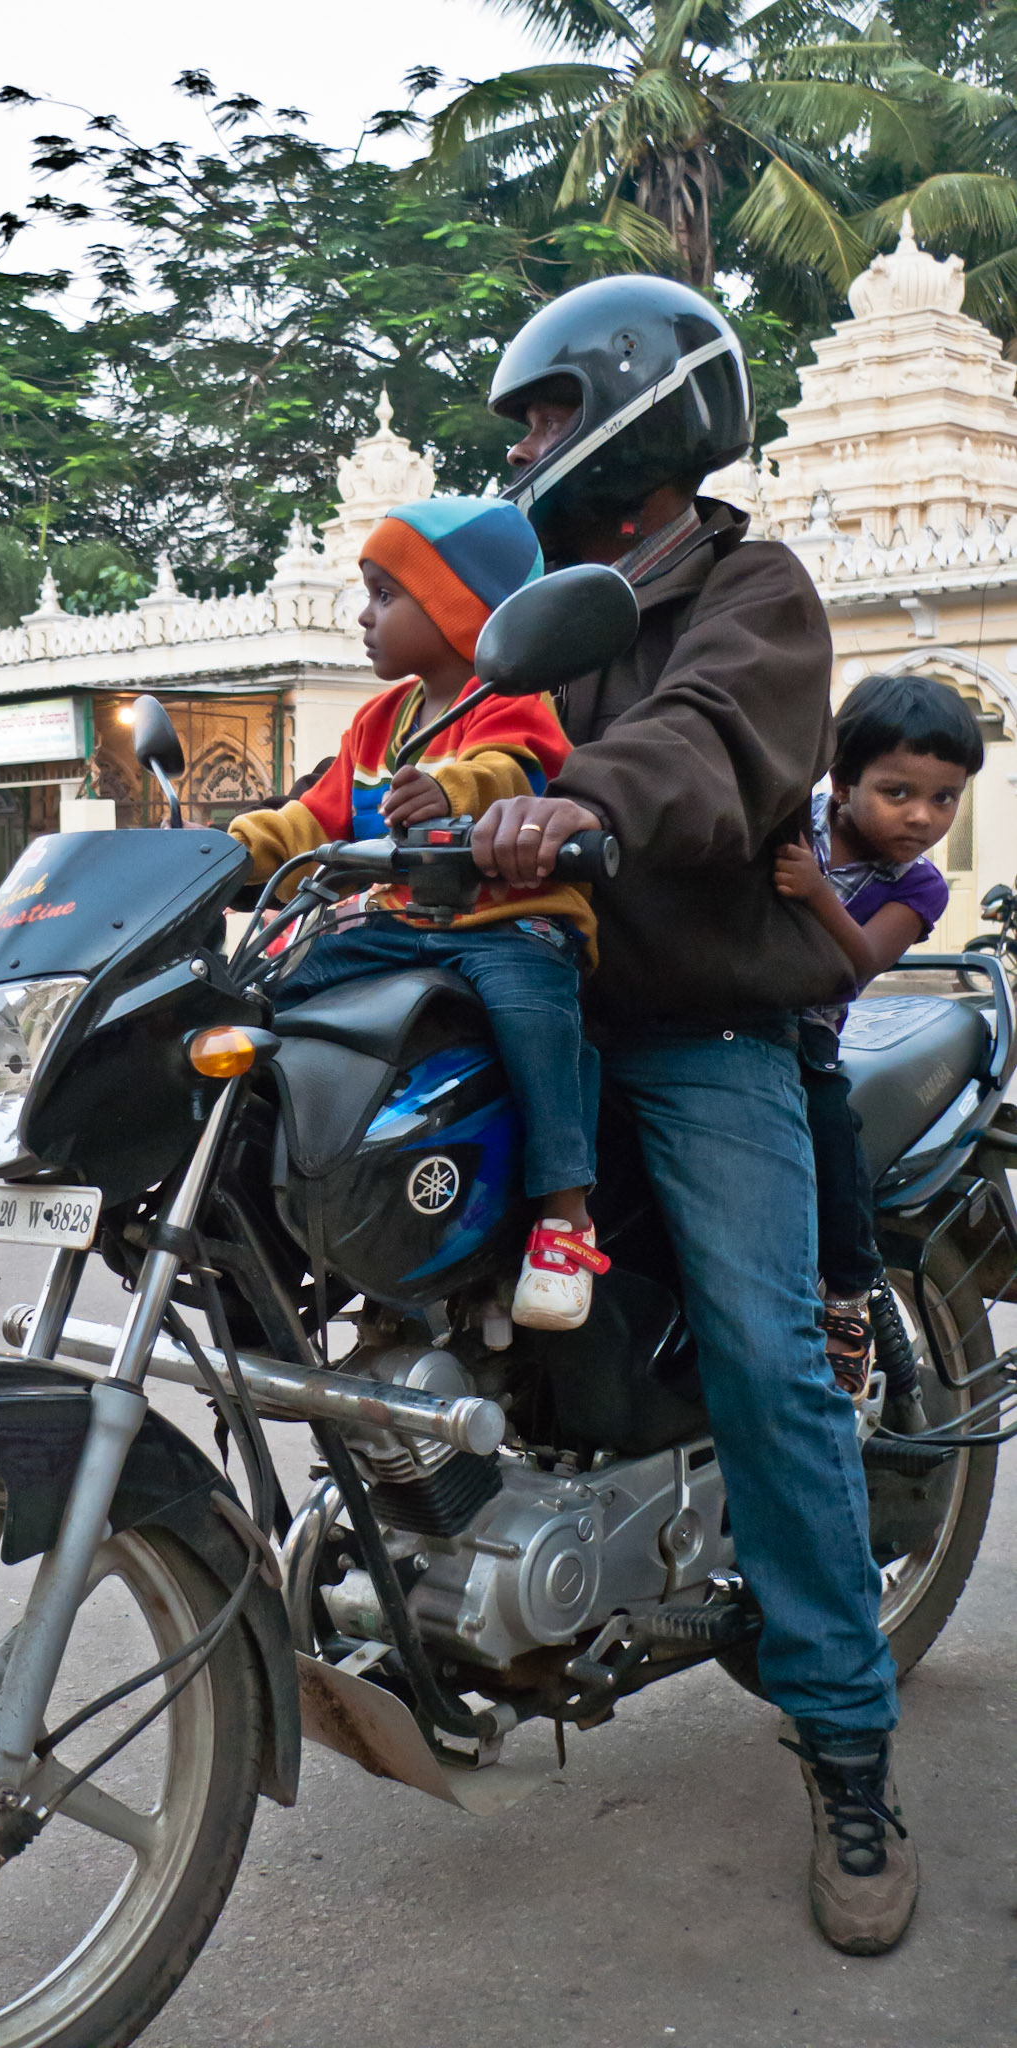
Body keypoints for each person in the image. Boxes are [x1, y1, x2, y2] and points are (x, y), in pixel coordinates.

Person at [470, 275, 916, 1955]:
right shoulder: (532, 599)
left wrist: (574, 800)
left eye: (547, 414)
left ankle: (848, 1734)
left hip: (697, 1021)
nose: (525, 447)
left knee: (762, 1344)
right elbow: (446, 729)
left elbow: (710, 742)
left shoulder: (753, 589)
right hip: (538, 1009)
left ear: (641, 414)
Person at [229, 494, 609, 1330]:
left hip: (512, 921)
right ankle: (266, 1198)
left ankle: (562, 1217)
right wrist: (225, 852)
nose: (364, 617)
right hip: (402, 928)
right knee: (265, 999)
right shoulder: (377, 721)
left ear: (457, 608)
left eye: (385, 595)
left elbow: (514, 771)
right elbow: (313, 819)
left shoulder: (508, 701)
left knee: (534, 1024)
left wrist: (452, 788)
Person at [775, 673, 984, 1402]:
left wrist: (816, 892)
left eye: (945, 798)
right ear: (841, 778)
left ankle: (849, 1298)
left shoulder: (919, 886)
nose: (923, 817)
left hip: (807, 1035)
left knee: (833, 1133)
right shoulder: (788, 814)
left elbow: (857, 965)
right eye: (899, 793)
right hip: (726, 1010)